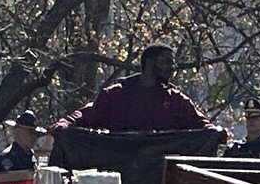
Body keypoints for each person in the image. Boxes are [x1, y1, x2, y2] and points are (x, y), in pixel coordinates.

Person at [61, 44, 213, 137]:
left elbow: (199, 122)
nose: (171, 68)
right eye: (166, 62)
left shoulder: (175, 100)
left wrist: (213, 130)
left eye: (172, 63)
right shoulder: (117, 95)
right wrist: (66, 123)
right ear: (149, 63)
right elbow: (89, 113)